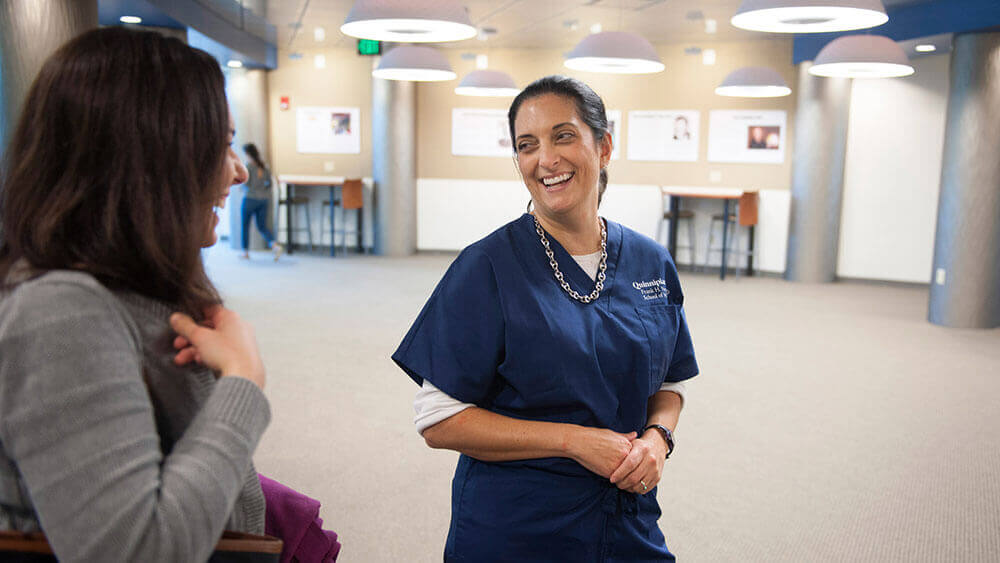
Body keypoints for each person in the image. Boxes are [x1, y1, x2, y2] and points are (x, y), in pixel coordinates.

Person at [393, 75, 699, 561]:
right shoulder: (487, 267)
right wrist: (572, 441)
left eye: (563, 136)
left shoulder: (650, 261)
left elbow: (672, 380)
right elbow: (439, 419)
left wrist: (658, 439)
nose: (545, 160)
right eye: (527, 145)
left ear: (603, 148)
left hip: (627, 523)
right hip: (517, 529)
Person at [0, 28, 272, 561]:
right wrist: (243, 381)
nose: (238, 171)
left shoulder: (131, 289)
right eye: (219, 147)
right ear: (151, 162)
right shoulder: (60, 313)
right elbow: (136, 550)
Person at [240, 143, 283, 260]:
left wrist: (242, 188)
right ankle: (274, 245)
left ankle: (245, 252)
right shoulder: (265, 167)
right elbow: (269, 183)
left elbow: (245, 184)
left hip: (250, 199)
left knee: (245, 225)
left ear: (248, 154)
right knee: (262, 226)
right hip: (264, 200)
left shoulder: (248, 167)